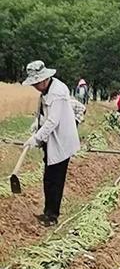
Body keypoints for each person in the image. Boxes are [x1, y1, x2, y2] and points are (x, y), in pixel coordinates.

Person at [23, 60, 81, 227]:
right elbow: (44, 113)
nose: (34, 86)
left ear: (43, 79)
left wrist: (37, 138)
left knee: (55, 179)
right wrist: (37, 123)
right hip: (52, 140)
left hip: (61, 140)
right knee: (48, 178)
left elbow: (53, 121)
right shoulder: (46, 90)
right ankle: (47, 212)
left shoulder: (57, 92)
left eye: (35, 83)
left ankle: (52, 216)